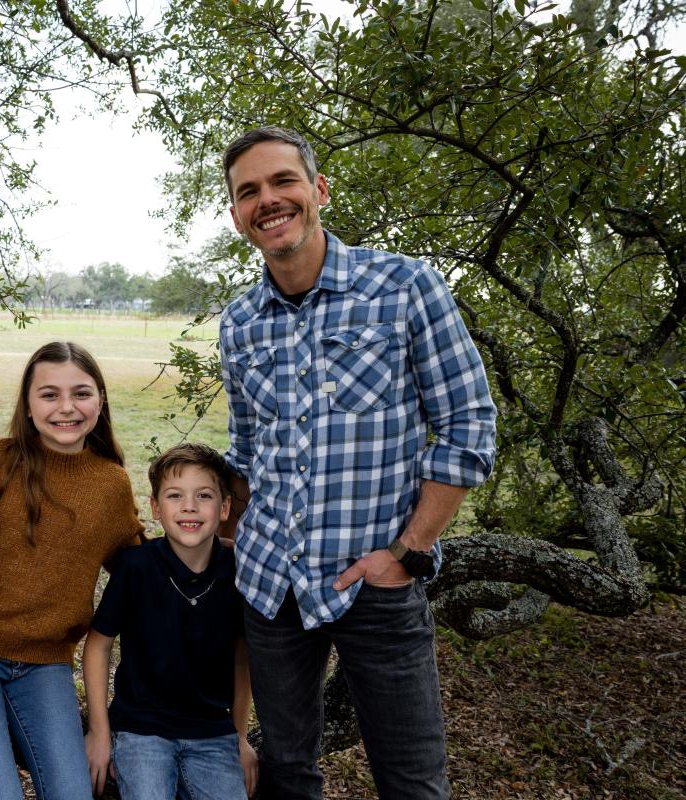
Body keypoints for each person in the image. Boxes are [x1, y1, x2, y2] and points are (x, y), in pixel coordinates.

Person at [218, 126, 498, 799]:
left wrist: (409, 551)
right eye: (248, 191)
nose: (268, 200)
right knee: (288, 774)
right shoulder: (239, 322)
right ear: (236, 216)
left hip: (378, 581)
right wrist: (229, 530)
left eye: (283, 181)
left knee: (412, 780)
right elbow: (247, 450)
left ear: (317, 189)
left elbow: (468, 425)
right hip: (271, 588)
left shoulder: (405, 286)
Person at [0, 341, 144, 800]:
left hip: (46, 665)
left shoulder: (111, 485)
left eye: (81, 393)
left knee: (73, 792)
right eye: (48, 395)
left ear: (101, 400)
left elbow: (140, 568)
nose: (66, 408)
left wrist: (207, 551)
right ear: (28, 406)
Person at [82, 442, 258, 800]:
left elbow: (243, 659)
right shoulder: (136, 568)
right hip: (140, 730)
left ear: (224, 507)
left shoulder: (236, 572)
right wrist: (100, 733)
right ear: (155, 508)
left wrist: (240, 737)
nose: (189, 506)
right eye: (175, 495)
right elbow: (98, 645)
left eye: (204, 496)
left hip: (212, 732)